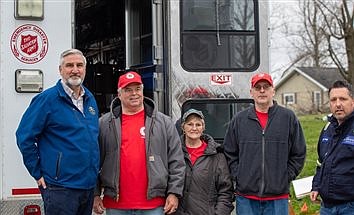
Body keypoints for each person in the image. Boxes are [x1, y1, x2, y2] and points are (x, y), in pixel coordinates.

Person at [16, 48, 100, 215]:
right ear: (60, 70)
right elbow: (24, 136)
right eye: (69, 65)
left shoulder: (89, 99)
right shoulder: (47, 99)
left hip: (87, 186)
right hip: (60, 188)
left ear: (85, 69)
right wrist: (37, 173)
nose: (75, 70)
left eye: (79, 65)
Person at [93, 71, 185, 215]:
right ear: (119, 94)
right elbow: (93, 161)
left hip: (154, 204)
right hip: (116, 205)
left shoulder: (163, 122)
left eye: (137, 89)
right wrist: (95, 194)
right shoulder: (104, 124)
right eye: (128, 90)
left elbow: (177, 161)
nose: (134, 93)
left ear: (143, 90)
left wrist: (174, 192)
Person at [223, 72, 306, 215]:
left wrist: (285, 176)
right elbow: (229, 152)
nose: (262, 91)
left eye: (266, 87)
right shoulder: (239, 120)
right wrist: (239, 175)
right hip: (246, 198)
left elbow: (299, 153)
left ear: (273, 90)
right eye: (258, 87)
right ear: (251, 92)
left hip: (278, 198)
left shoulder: (288, 118)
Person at [175, 108, 234, 215]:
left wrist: (218, 213)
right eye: (190, 124)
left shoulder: (217, 155)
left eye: (198, 125)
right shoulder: (173, 152)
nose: (194, 128)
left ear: (203, 128)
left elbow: (226, 192)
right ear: (183, 127)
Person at [310, 80, 354, 215]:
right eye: (333, 100)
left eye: (343, 99)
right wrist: (316, 186)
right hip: (327, 207)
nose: (338, 104)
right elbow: (321, 162)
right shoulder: (327, 128)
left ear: (352, 101)